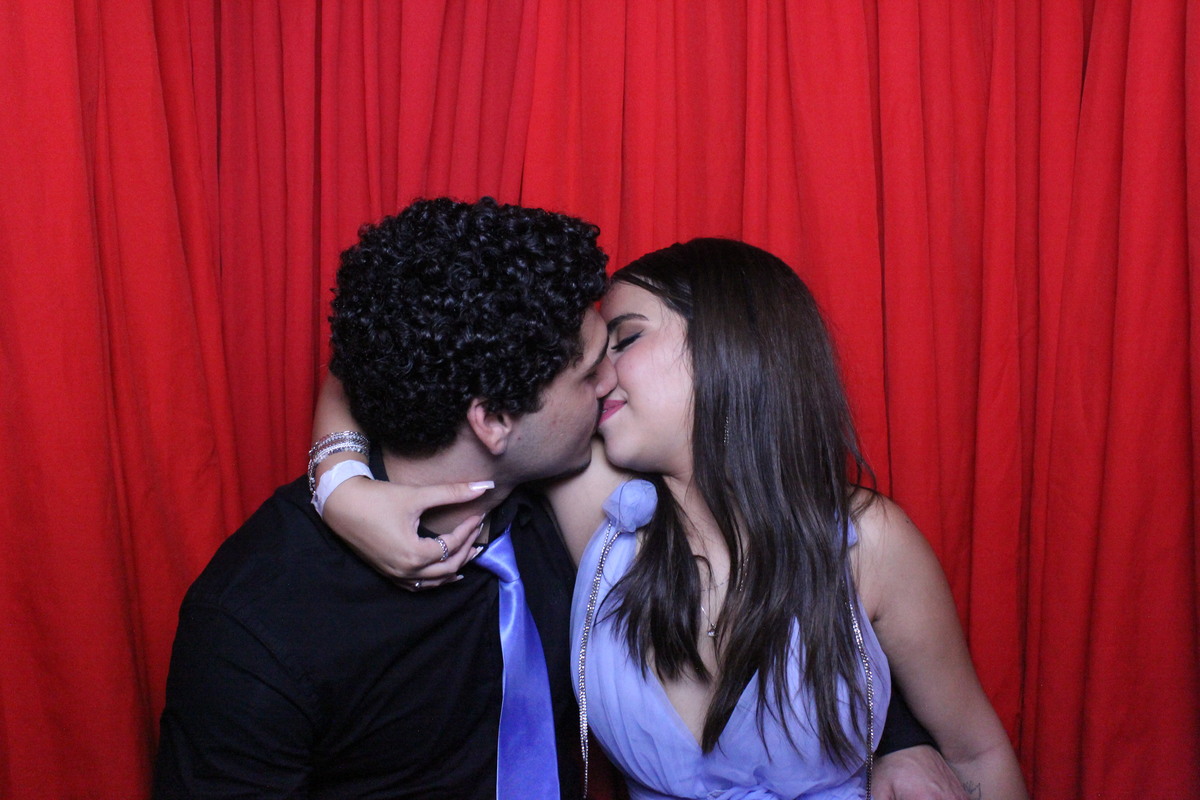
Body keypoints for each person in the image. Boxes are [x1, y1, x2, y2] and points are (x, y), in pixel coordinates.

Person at [314, 237, 1016, 797]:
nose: (599, 371)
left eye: (624, 339)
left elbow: (978, 754)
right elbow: (394, 348)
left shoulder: (869, 542)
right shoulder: (599, 506)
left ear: (728, 344)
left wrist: (902, 745)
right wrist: (341, 486)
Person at [154, 197, 613, 799]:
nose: (612, 383)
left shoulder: (565, 500)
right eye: (589, 374)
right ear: (494, 420)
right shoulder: (259, 624)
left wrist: (338, 478)